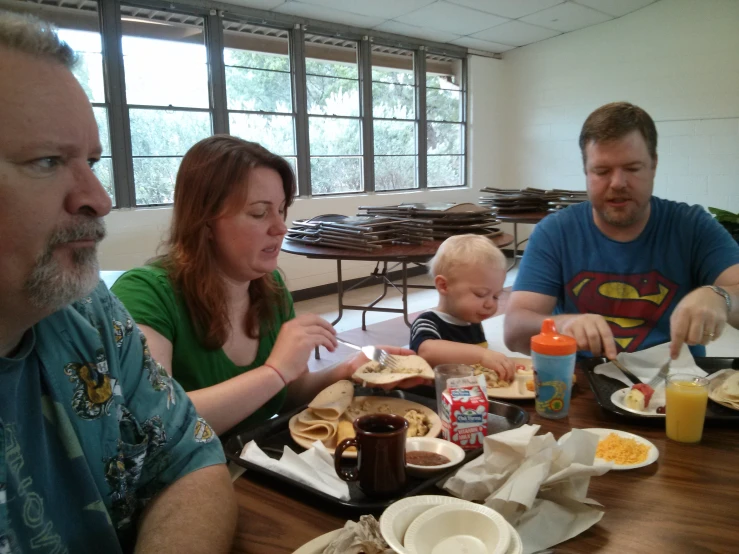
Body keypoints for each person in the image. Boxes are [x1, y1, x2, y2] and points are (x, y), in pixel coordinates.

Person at [0, 12, 236, 554]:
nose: (99, 199)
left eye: (91, 160)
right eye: (47, 161)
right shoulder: (145, 291)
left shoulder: (85, 308)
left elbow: (187, 455)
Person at [111, 136, 414, 436]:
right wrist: (275, 370)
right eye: (259, 212)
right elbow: (156, 423)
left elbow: (288, 395)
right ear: (204, 222)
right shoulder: (146, 294)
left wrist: (348, 369)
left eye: (281, 209)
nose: (280, 227)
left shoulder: (269, 287)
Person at [504, 101, 739, 360]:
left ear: (654, 165)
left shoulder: (692, 226)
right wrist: (561, 325)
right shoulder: (555, 233)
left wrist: (721, 297)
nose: (617, 183)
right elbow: (514, 329)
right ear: (586, 171)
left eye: (632, 168)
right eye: (602, 171)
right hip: (579, 389)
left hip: (673, 388)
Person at [409, 234, 515, 381]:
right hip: (435, 397)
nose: (490, 304)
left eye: (496, 296)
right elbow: (426, 351)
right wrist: (481, 355)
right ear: (444, 286)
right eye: (480, 294)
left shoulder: (472, 321)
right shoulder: (427, 321)